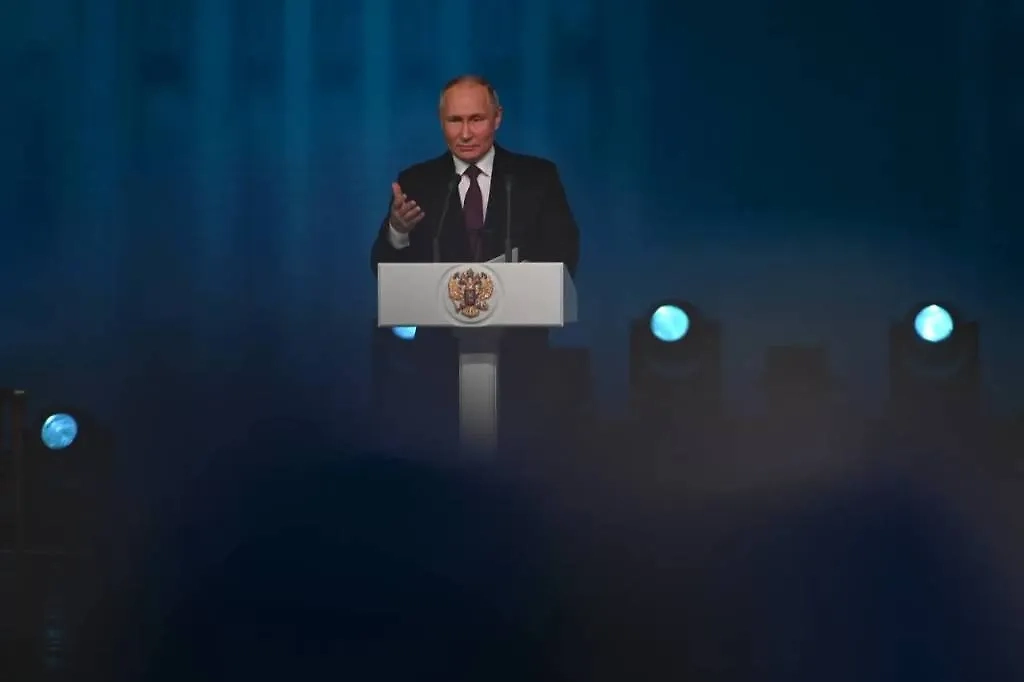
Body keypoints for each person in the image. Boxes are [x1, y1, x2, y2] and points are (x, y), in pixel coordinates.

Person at [370, 75, 579, 275]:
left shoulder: (538, 178)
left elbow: (564, 254)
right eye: (455, 120)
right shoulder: (415, 183)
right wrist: (398, 232)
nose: (465, 134)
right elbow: (384, 272)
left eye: (476, 119)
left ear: (497, 118)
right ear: (441, 120)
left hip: (519, 300)